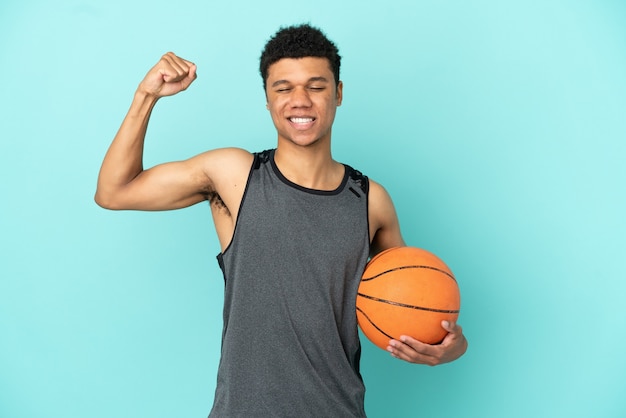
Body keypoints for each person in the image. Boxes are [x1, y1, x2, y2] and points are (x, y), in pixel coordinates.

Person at [95, 24, 467, 417]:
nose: (300, 101)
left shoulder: (371, 201)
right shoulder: (234, 175)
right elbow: (115, 191)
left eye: (316, 86)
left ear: (338, 93)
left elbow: (412, 304)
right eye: (283, 88)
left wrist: (452, 347)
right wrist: (146, 96)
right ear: (268, 99)